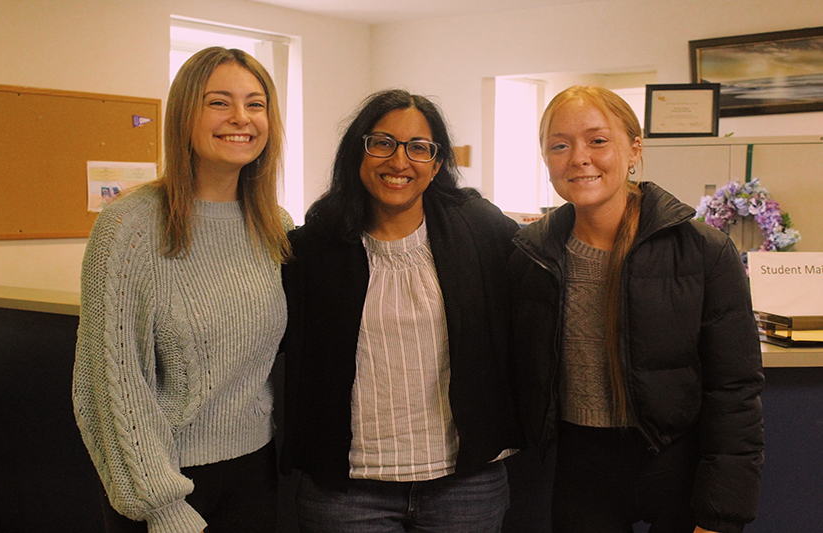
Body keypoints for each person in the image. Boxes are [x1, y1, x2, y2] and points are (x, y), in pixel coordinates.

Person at [509, 85, 764, 533]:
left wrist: (720, 515)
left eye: (598, 140)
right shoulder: (533, 254)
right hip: (580, 471)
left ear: (634, 148)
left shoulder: (702, 250)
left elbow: (734, 391)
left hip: (677, 467)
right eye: (559, 145)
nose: (579, 157)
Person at [280, 89, 524, 532]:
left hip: (465, 484)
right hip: (350, 490)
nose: (399, 161)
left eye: (418, 148)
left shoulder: (481, 229)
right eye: (382, 143)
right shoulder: (315, 247)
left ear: (436, 162)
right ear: (359, 150)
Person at [73, 47, 293, 533]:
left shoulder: (273, 226)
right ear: (184, 114)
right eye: (219, 103)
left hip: (254, 473)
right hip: (162, 483)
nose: (241, 118)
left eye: (256, 104)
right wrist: (163, 506)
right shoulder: (128, 227)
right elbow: (110, 385)